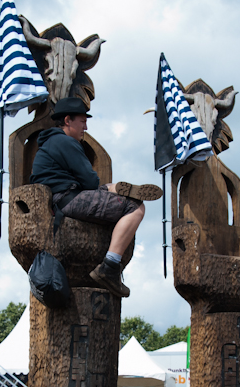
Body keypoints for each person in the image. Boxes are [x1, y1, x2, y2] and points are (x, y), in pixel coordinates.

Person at [28, 97, 162, 298]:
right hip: (68, 199)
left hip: (63, 198)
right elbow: (89, 181)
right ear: (68, 120)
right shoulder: (65, 141)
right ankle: (110, 266)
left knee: (108, 187)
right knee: (135, 207)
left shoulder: (52, 142)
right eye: (82, 121)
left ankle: (115, 188)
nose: (86, 127)